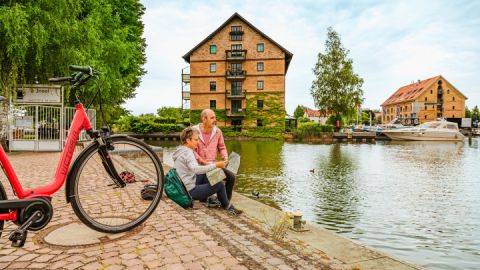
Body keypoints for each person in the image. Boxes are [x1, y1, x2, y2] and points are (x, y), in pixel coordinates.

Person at [172, 127, 243, 215]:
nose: (198, 142)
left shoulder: (181, 150)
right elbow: (196, 169)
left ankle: (212, 199)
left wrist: (213, 166)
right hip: (189, 191)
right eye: (196, 140)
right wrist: (216, 165)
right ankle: (228, 207)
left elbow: (194, 169)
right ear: (188, 140)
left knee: (207, 174)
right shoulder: (188, 153)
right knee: (220, 185)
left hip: (183, 185)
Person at [192, 109, 236, 201]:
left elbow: (222, 147)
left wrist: (225, 157)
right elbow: (192, 152)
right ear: (204, 119)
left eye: (215, 117)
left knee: (231, 176)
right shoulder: (194, 131)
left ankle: (226, 201)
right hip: (199, 168)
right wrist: (203, 161)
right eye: (212, 118)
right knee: (203, 198)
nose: (215, 120)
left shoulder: (217, 132)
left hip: (213, 166)